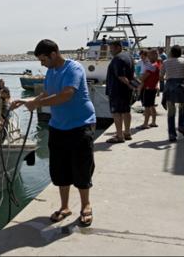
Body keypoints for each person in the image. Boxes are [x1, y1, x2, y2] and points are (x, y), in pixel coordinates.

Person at [11, 39, 96, 227]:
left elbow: (67, 95)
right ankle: (65, 207)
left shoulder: (73, 69)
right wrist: (25, 101)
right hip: (58, 127)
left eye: (43, 59)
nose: (42, 64)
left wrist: (38, 104)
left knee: (82, 168)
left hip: (79, 126)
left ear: (53, 54)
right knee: (59, 169)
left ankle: (86, 205)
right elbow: (46, 94)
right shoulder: (51, 71)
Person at [160, 45, 184, 142]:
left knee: (171, 112)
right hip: (181, 88)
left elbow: (161, 76)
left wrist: (167, 78)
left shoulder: (165, 62)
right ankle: (181, 126)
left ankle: (172, 134)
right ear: (180, 52)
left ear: (171, 52)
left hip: (169, 88)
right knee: (182, 109)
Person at [105, 40, 136, 143]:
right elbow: (132, 74)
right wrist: (132, 86)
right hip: (126, 91)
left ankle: (119, 136)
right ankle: (127, 133)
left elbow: (121, 76)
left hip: (116, 91)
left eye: (112, 48)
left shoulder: (117, 59)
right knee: (126, 111)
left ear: (118, 47)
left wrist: (129, 85)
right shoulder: (129, 57)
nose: (110, 51)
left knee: (116, 113)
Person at [136, 49, 160, 129]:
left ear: (154, 55)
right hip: (153, 87)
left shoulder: (151, 66)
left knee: (147, 107)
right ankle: (153, 122)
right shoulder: (157, 64)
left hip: (148, 88)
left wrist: (138, 78)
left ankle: (145, 124)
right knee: (151, 105)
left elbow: (143, 78)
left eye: (149, 55)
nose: (148, 57)